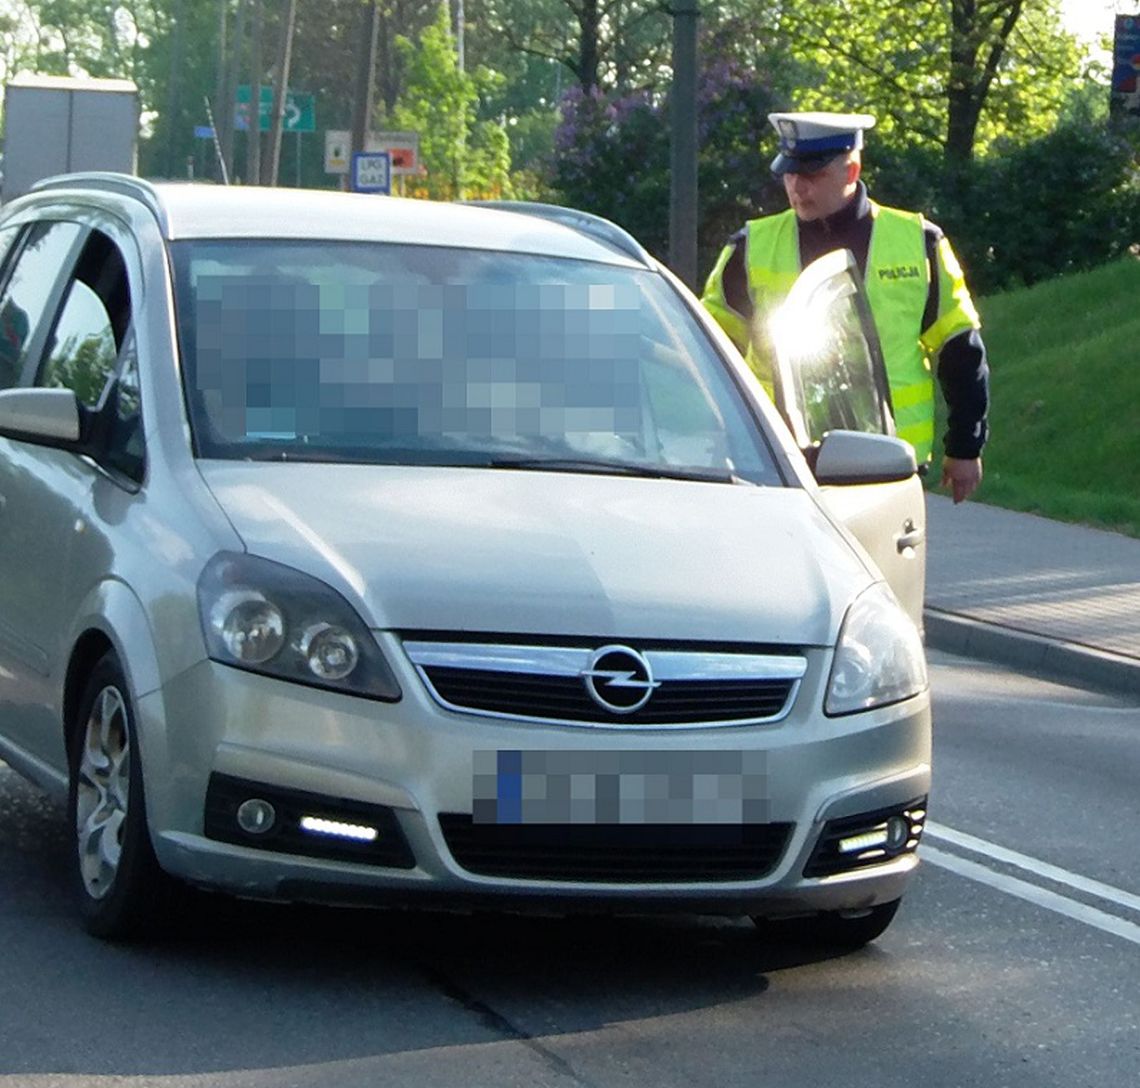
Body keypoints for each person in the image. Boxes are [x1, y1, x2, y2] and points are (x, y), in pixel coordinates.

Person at [700, 111, 989, 503]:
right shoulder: (751, 246)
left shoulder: (918, 242)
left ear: (852, 170)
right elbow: (709, 352)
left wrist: (965, 447)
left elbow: (961, 351)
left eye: (813, 175)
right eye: (790, 174)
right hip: (778, 459)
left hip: (886, 462)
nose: (798, 187)